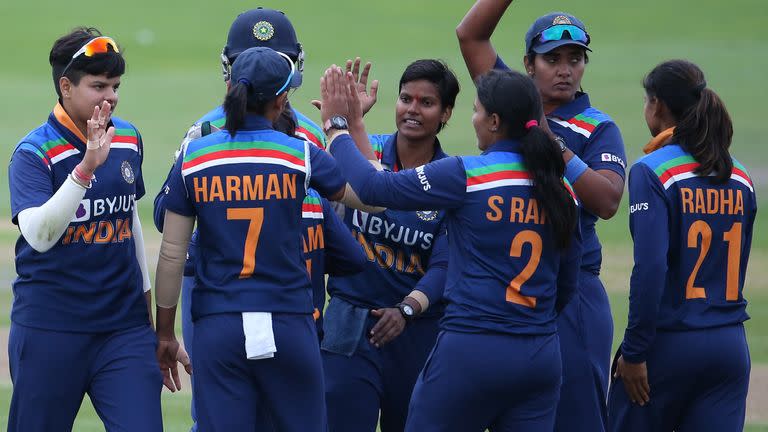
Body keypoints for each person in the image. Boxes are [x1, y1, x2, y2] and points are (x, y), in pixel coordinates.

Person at [322, 65, 581, 431]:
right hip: (540, 354)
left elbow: (373, 188)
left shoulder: (468, 175)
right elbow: (568, 283)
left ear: (493, 121)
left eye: (475, 111)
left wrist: (336, 127)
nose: (473, 119)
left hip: (471, 348)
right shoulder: (561, 189)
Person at [151, 7, 366, 428]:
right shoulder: (308, 136)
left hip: (223, 300)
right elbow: (353, 204)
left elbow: (167, 224)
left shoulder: (203, 138)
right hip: (288, 293)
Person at [457, 3, 626, 430]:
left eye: (575, 59)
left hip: (573, 293)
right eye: (552, 59)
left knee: (577, 418)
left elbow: (606, 201)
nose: (565, 70)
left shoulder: (597, 127)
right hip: (505, 292)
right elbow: (470, 36)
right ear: (528, 64)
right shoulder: (509, 99)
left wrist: (549, 141)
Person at [7, 27, 162, 431]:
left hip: (122, 331)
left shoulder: (127, 139)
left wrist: (148, 319)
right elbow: (39, 236)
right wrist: (85, 168)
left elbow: (128, 221)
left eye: (115, 85)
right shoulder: (33, 153)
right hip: (50, 330)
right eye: (97, 86)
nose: (109, 96)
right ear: (65, 86)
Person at [608, 60, 755, 432]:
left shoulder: (652, 170)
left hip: (669, 344)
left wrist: (635, 350)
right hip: (729, 347)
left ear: (656, 105)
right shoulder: (741, 177)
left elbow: (651, 268)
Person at [321, 58, 457, 432]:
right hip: (348, 322)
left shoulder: (450, 178)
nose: (412, 110)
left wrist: (406, 309)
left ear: (446, 113)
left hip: (416, 333)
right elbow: (320, 170)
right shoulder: (364, 150)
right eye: (405, 98)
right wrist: (349, 125)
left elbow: (445, 266)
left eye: (426, 103)